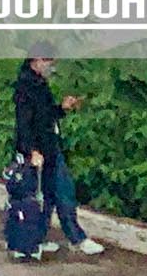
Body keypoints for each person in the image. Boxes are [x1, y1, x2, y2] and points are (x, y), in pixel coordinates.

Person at [11, 55, 102, 258]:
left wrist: (61, 109)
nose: (51, 67)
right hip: (39, 152)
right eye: (48, 62)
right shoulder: (26, 88)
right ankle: (75, 239)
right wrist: (31, 150)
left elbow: (45, 116)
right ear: (36, 61)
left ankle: (37, 240)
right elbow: (24, 124)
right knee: (58, 193)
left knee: (49, 196)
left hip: (49, 148)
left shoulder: (40, 85)